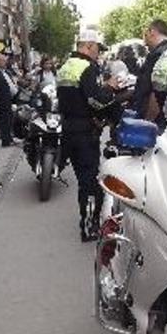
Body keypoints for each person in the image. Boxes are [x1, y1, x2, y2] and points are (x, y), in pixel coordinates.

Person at [57, 30, 119, 241]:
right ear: (89, 46)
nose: (98, 54)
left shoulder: (66, 66)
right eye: (97, 49)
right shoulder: (87, 67)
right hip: (84, 132)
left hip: (68, 129)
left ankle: (88, 222)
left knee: (83, 179)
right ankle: (89, 227)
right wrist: (110, 89)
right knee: (90, 182)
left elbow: (74, 98)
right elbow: (95, 101)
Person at [133, 19, 167, 120]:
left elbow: (156, 91)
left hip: (155, 120)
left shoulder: (160, 54)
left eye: (145, 35)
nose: (144, 42)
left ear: (152, 32)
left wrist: (147, 122)